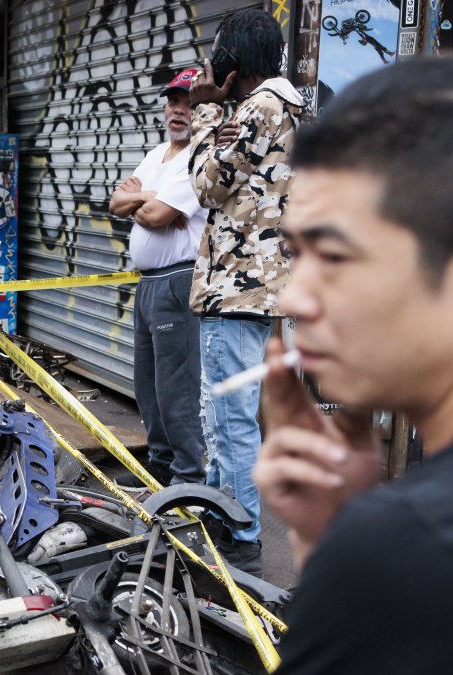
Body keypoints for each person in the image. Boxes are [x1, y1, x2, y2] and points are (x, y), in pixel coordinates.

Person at [253, 58, 453, 674]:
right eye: (295, 255)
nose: (293, 300)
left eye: (335, 256)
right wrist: (331, 533)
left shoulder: (403, 548)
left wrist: (343, 554)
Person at [186, 8, 305, 576]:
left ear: (235, 58)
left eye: (218, 52)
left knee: (230, 420)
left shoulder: (261, 107)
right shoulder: (281, 107)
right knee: (223, 416)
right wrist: (220, 123)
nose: (211, 64)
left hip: (237, 288)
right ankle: (223, 521)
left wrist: (206, 110)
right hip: (248, 288)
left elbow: (207, 184)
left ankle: (240, 538)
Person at [109, 68, 208, 490]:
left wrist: (143, 201)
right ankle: (161, 468)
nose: (178, 110)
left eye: (188, 103)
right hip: (149, 283)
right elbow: (116, 203)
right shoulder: (156, 155)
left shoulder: (199, 156)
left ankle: (188, 478)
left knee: (176, 389)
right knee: (148, 387)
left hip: (178, 280)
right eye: (173, 102)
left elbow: (154, 215)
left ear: (203, 110)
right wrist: (147, 197)